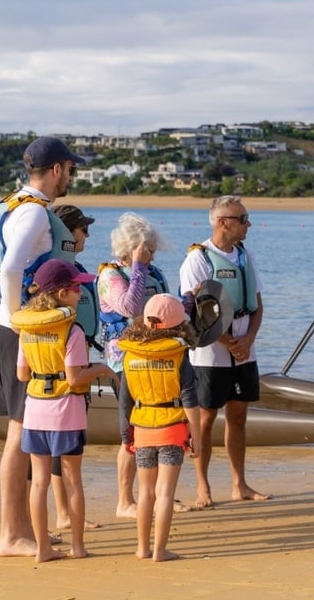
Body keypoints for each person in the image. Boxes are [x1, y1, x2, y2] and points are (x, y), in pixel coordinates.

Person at [0, 135, 84, 557]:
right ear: (57, 169)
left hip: (4, 328)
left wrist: (1, 312)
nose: (71, 177)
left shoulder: (9, 207)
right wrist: (20, 320)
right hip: (19, 334)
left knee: (20, 432)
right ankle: (12, 534)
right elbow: (7, 266)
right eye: (70, 169)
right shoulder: (36, 214)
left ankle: (22, 527)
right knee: (20, 433)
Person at [11, 259, 118, 562]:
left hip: (35, 409)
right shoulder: (72, 330)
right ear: (60, 294)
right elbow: (73, 378)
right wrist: (100, 369)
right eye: (76, 287)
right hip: (66, 410)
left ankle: (43, 549)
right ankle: (78, 546)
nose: (82, 292)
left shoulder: (28, 328)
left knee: (40, 480)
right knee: (72, 479)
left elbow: (21, 374)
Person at [179, 194, 269, 509]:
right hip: (210, 351)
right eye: (242, 219)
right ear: (222, 222)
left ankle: (239, 484)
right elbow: (196, 312)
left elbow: (257, 304)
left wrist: (248, 339)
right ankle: (203, 487)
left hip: (245, 345)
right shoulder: (198, 259)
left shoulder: (245, 255)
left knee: (239, 415)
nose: (248, 224)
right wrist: (228, 342)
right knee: (205, 418)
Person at [97, 212, 172, 518]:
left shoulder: (155, 273)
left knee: (160, 427)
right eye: (146, 250)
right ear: (130, 249)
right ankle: (125, 501)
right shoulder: (110, 276)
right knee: (132, 428)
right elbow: (130, 306)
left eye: (152, 251)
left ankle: (157, 496)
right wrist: (138, 267)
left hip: (156, 359)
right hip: (124, 362)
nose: (151, 256)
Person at [118, 294, 200, 561]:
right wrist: (195, 435)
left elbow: (124, 402)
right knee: (165, 493)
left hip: (142, 428)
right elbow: (190, 398)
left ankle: (142, 548)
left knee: (145, 493)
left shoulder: (129, 354)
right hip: (172, 428)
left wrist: (125, 435)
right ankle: (160, 550)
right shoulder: (178, 354)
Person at [49, 204, 101, 534]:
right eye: (83, 229)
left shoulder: (76, 268)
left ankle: (66, 512)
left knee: (67, 443)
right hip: (62, 371)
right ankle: (63, 513)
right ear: (67, 232)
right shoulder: (56, 273)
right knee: (61, 445)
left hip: (79, 360)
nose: (88, 235)